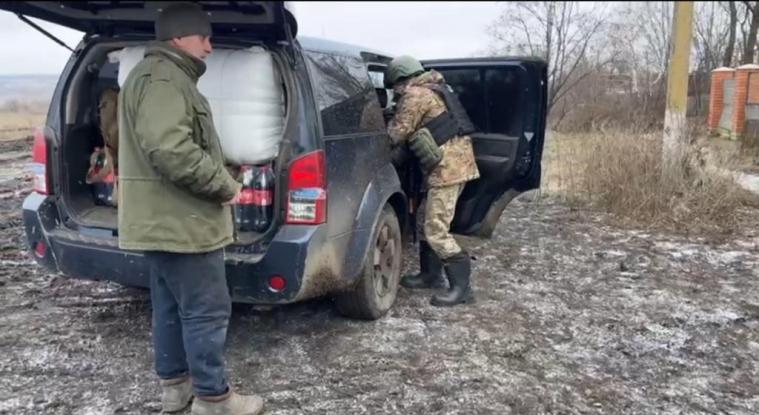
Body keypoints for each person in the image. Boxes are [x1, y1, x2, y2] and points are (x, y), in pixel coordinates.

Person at [117, 3, 264, 414]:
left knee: (169, 306)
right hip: (183, 221)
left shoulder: (151, 76)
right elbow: (170, 149)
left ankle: (176, 389)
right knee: (206, 311)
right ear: (180, 37)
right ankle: (214, 399)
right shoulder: (166, 79)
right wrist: (224, 186)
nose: (210, 47)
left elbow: (169, 146)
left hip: (161, 222)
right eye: (205, 38)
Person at [385, 55, 481, 307]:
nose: (394, 91)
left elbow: (397, 132)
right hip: (451, 166)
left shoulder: (416, 95)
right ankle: (430, 275)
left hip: (447, 171)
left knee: (436, 230)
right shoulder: (435, 87)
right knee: (423, 221)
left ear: (400, 79)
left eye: (394, 86)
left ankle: (462, 289)